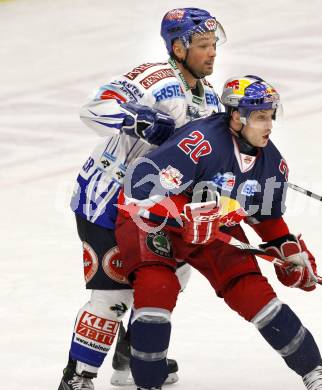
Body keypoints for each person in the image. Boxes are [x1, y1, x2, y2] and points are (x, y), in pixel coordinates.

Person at [115, 75, 322, 390]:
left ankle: (314, 372)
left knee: (255, 293)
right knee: (157, 288)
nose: (268, 125)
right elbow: (140, 185)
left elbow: (267, 218)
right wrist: (183, 213)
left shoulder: (272, 164)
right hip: (152, 219)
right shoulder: (200, 142)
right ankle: (147, 384)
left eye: (270, 116)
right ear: (236, 116)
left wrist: (288, 251)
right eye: (260, 117)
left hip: (213, 227)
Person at [58, 8, 226, 390]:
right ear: (178, 48)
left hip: (156, 208)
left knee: (165, 282)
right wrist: (137, 119)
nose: (212, 53)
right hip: (107, 199)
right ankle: (77, 378)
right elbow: (93, 109)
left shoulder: (212, 103)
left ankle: (130, 362)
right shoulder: (154, 79)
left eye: (214, 44)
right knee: (113, 298)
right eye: (203, 45)